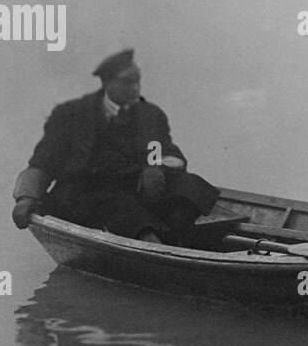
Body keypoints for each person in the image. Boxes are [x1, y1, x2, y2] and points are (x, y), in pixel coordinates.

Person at [11, 49, 219, 244]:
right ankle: (152, 243)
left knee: (189, 186)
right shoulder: (70, 115)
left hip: (132, 188)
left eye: (137, 81)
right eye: (128, 82)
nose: (136, 88)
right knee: (122, 210)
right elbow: (43, 161)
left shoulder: (149, 115)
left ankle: (179, 239)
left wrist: (154, 166)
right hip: (82, 194)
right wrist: (26, 197)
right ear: (107, 82)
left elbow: (158, 146)